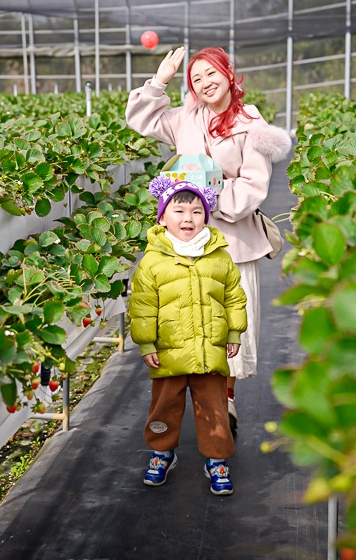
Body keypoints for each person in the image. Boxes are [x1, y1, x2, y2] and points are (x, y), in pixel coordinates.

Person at [125, 46, 291, 433]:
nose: (205, 83)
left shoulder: (251, 125)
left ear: (229, 74)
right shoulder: (186, 117)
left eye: (211, 73)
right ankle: (189, 401)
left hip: (232, 241)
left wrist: (208, 194)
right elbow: (142, 120)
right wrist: (160, 80)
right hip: (186, 238)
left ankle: (224, 401)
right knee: (189, 321)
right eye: (196, 78)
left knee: (227, 321)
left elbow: (254, 187)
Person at [129, 176, 247, 496]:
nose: (188, 218)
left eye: (197, 212)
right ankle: (162, 451)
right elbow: (142, 305)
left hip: (210, 350)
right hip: (169, 352)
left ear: (206, 218)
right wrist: (146, 342)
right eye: (179, 211)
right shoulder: (153, 261)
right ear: (162, 218)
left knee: (215, 408)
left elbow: (234, 296)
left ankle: (217, 459)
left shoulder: (219, 256)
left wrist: (234, 332)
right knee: (164, 406)